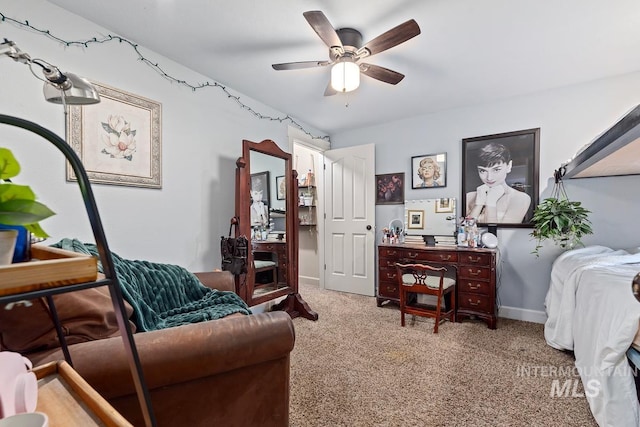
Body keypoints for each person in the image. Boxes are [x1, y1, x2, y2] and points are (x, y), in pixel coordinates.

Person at [466, 142, 531, 223]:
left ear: (509, 166)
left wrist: (491, 203)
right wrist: (478, 204)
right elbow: (466, 230)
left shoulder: (520, 198)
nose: (489, 177)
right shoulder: (469, 197)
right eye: (483, 170)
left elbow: (504, 233)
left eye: (496, 170)